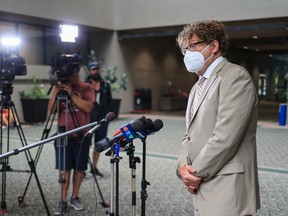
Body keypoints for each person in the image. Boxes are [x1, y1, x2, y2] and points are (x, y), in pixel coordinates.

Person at [176, 20, 260, 216]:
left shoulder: (235, 77)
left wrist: (193, 174)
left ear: (213, 46)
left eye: (193, 46)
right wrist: (181, 167)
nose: (188, 53)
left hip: (226, 185)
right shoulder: (197, 86)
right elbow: (189, 135)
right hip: (200, 182)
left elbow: (225, 138)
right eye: (185, 49)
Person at [48, 61, 94, 215]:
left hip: (82, 134)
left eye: (73, 74)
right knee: (64, 168)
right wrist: (56, 91)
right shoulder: (59, 89)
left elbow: (87, 107)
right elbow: (52, 111)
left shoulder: (86, 87)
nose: (71, 77)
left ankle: (75, 197)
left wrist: (72, 94)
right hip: (63, 133)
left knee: (80, 169)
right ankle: (62, 200)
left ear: (77, 73)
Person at [86, 61, 112, 177]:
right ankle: (81, 168)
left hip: (102, 120)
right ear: (89, 71)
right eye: (93, 69)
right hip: (87, 120)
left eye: (97, 69)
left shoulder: (105, 84)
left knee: (99, 144)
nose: (95, 71)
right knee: (85, 144)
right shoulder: (84, 85)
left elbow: (110, 102)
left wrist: (108, 117)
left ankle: (94, 167)